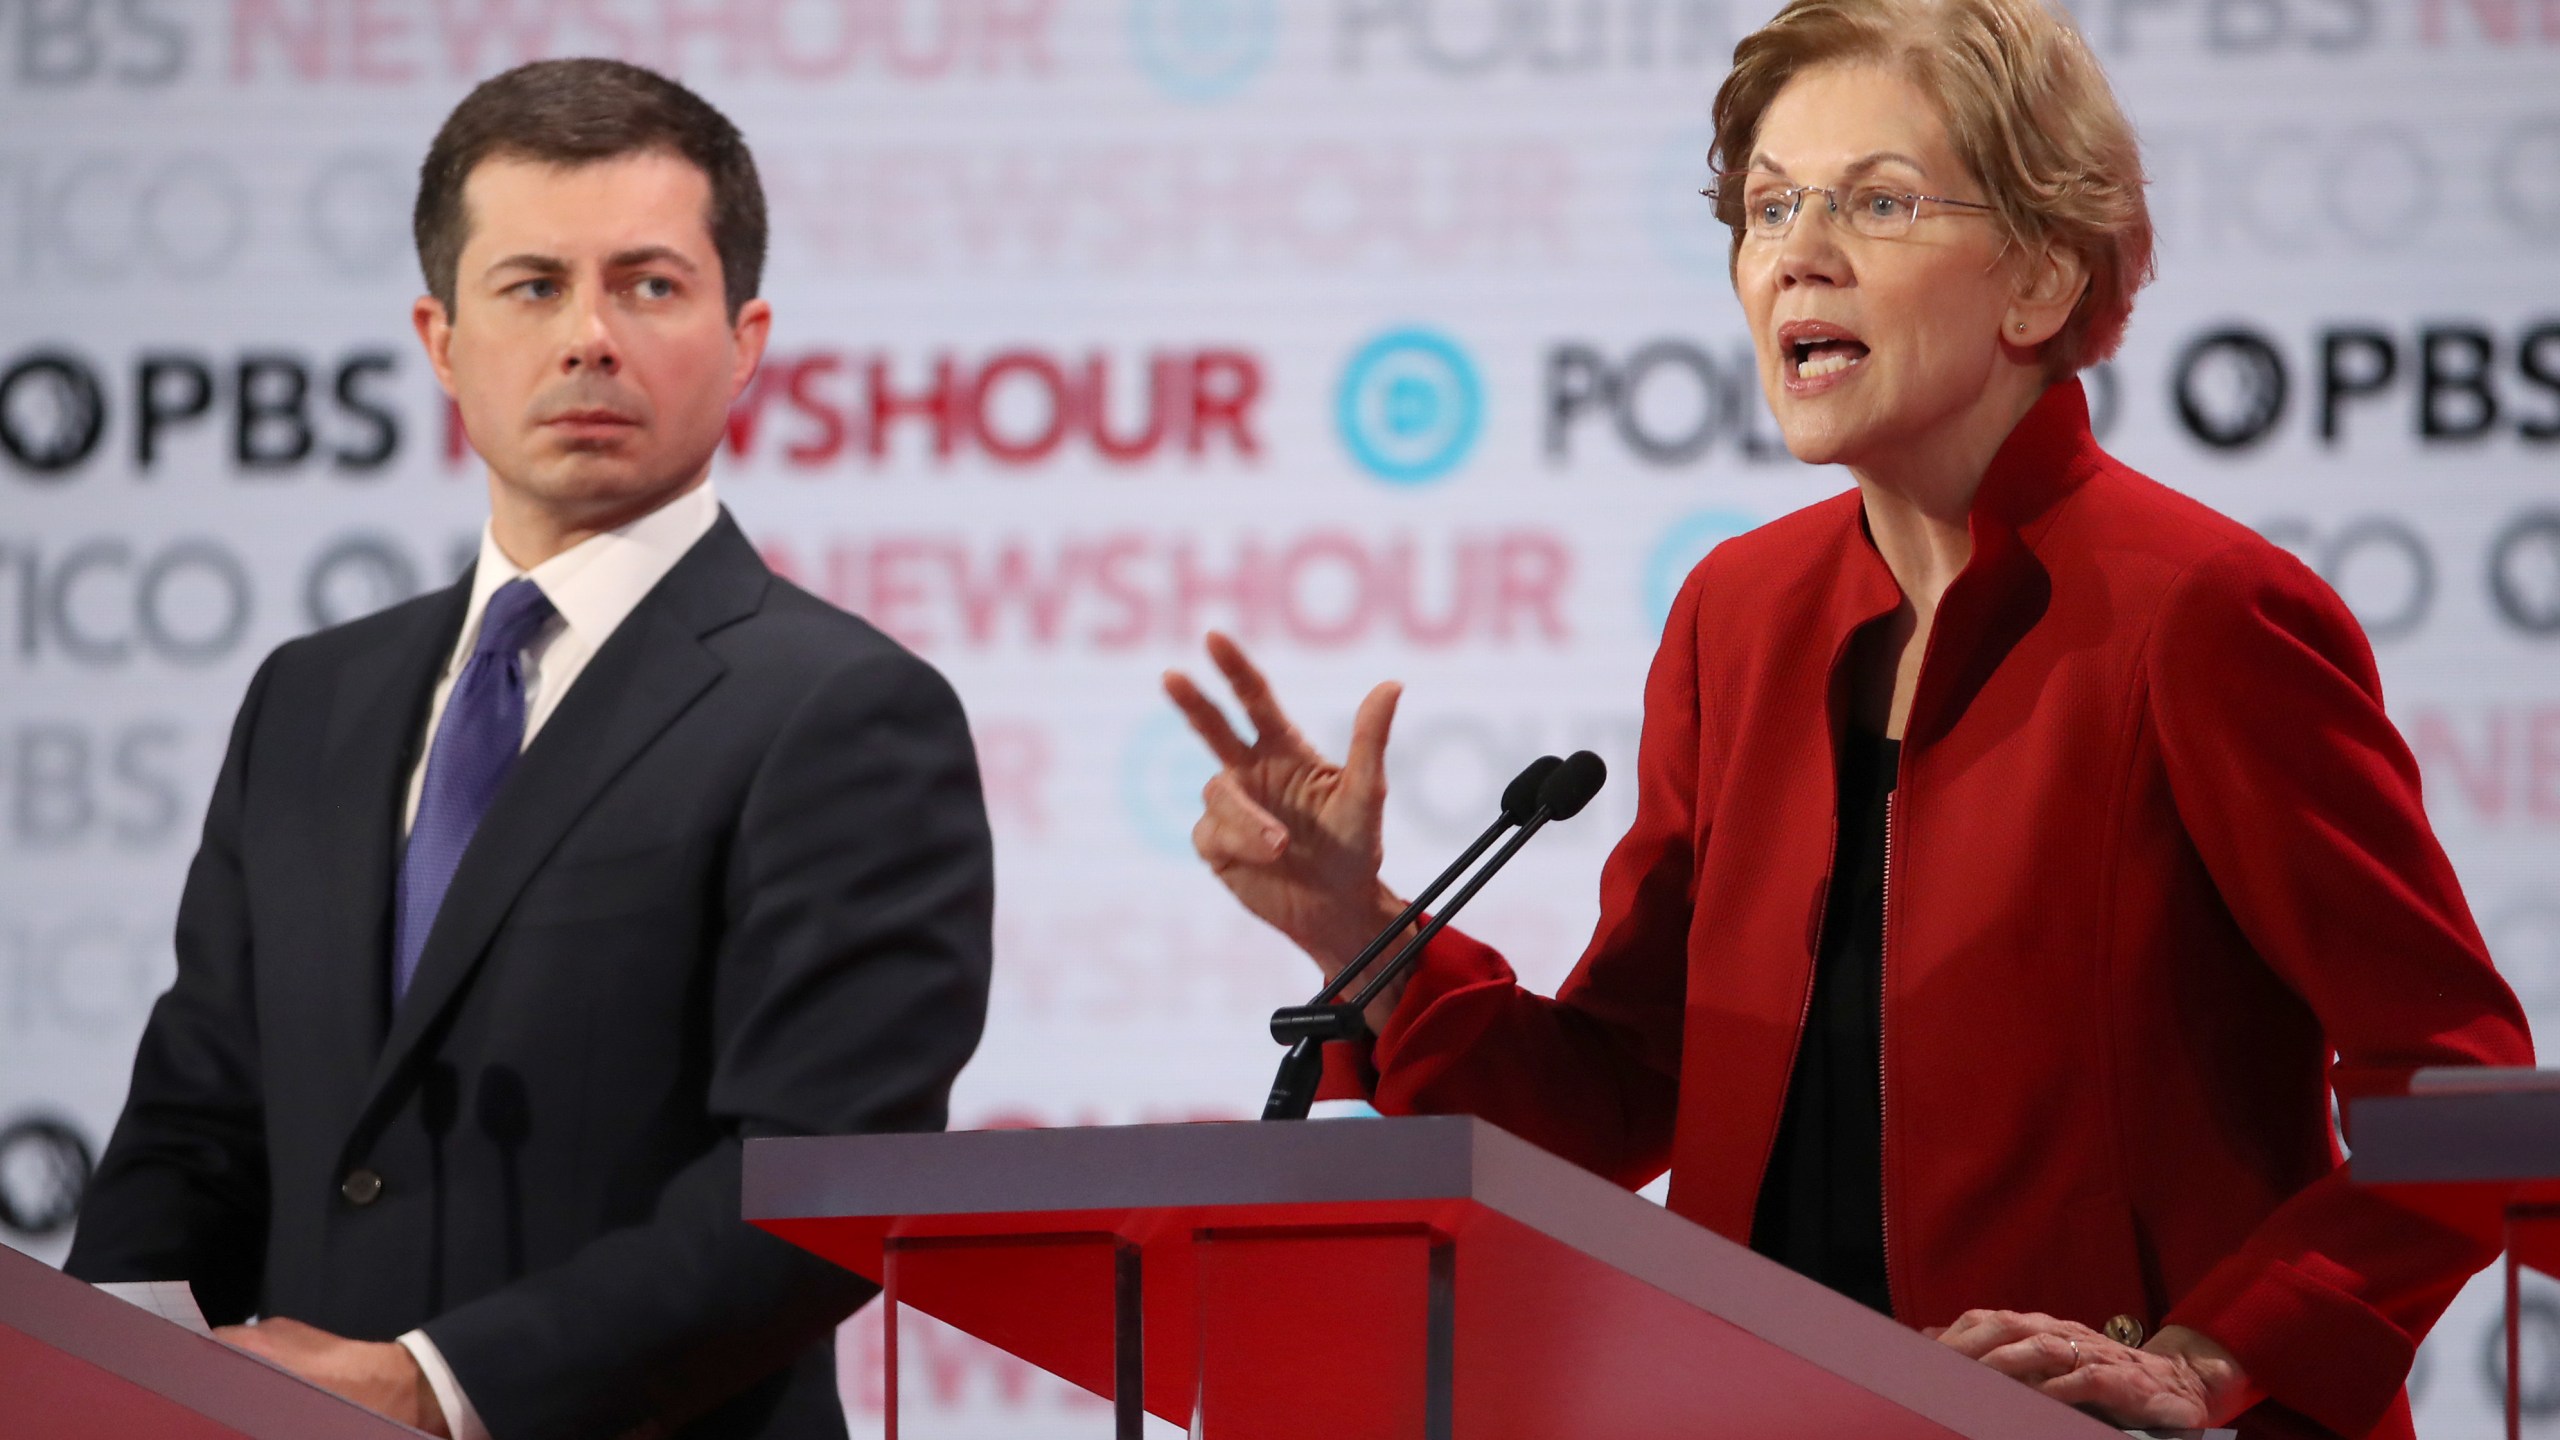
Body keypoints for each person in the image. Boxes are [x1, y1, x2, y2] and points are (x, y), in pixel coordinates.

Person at [1163, 1, 2532, 1436]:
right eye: (1766, 207)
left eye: (1874, 201)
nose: (1795, 253)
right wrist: (1357, 928)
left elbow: (2457, 1091)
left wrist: (2213, 1355)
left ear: (2042, 276)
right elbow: (1628, 1090)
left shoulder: (2201, 613)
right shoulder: (1735, 618)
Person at [66, 59, 994, 1440]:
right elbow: (200, 1116)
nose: (589, 338)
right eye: (534, 286)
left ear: (747, 340)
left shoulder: (847, 711)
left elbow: (811, 1187)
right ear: (441, 340)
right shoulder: (309, 699)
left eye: (650, 285)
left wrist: (440, 1387)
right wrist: (108, 1384)